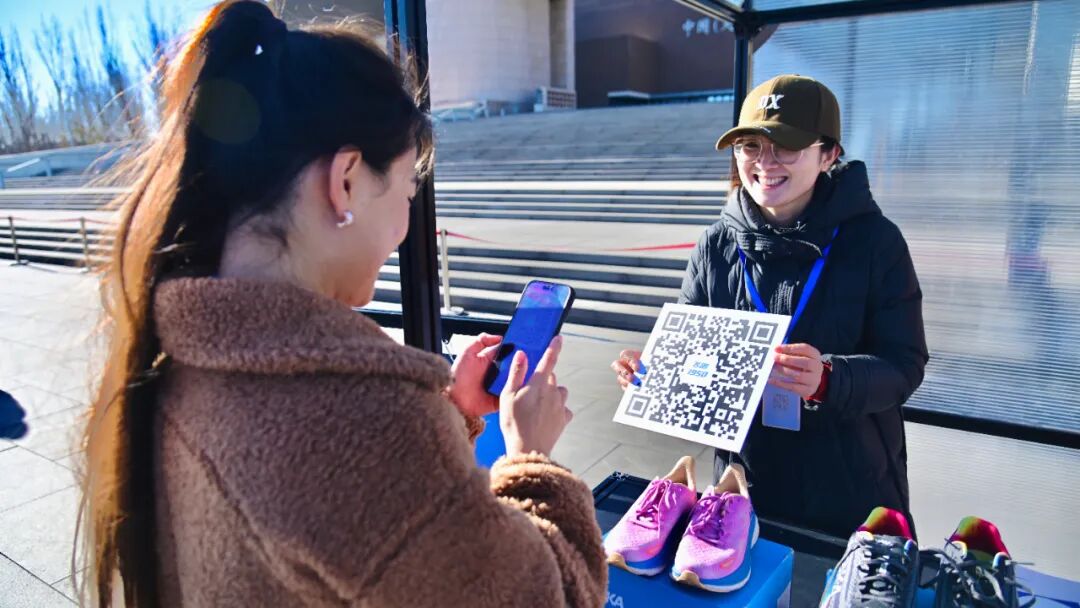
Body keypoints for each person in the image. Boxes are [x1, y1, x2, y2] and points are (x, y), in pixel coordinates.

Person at [78, 2, 606, 606]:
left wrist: (452, 417)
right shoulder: (366, 424)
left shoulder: (174, 359)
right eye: (408, 190)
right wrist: (531, 458)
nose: (409, 223)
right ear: (346, 179)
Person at [610, 75, 928, 538]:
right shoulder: (715, 244)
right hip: (743, 486)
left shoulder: (876, 243)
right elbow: (700, 357)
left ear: (829, 154)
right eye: (750, 146)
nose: (765, 163)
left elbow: (905, 365)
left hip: (850, 490)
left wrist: (830, 380)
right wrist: (658, 377)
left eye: (786, 146)